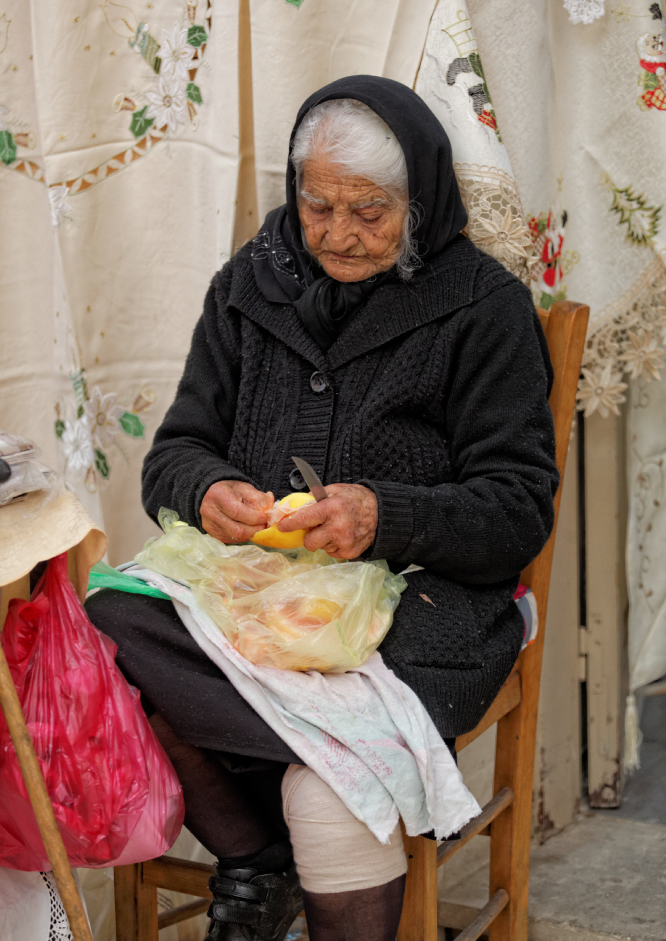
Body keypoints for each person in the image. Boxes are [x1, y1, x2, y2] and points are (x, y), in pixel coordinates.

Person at [86, 75, 558, 941]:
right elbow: (175, 457)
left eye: (371, 212)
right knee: (107, 624)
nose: (339, 234)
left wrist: (386, 516)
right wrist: (205, 491)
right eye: (319, 206)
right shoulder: (250, 283)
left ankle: (278, 850)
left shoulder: (484, 308)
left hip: (423, 597)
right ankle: (260, 854)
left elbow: (518, 510)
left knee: (328, 793)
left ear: (420, 201)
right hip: (262, 597)